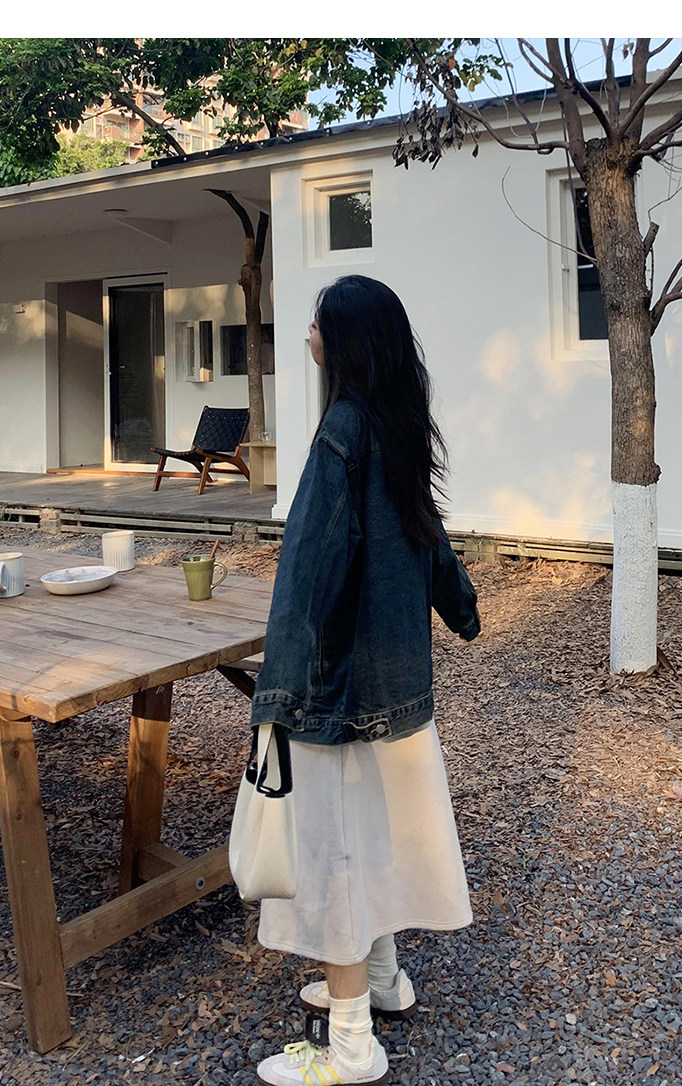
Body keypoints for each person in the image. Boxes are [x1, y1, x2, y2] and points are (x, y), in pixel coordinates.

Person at [250, 275, 481, 1086]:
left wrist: (276, 699)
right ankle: (381, 979)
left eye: (317, 322)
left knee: (333, 862)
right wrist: (463, 609)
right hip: (399, 689)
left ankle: (350, 1046)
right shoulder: (393, 423)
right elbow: (430, 537)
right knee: (370, 838)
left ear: (344, 340)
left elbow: (305, 576)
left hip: (342, 694)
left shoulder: (342, 432)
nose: (307, 332)